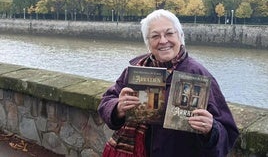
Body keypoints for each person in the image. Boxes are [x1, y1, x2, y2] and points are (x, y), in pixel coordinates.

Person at [98, 9, 239, 157]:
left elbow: (228, 132)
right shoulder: (136, 70)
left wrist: (211, 129)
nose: (163, 40)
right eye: (155, 36)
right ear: (148, 43)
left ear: (180, 36)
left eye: (169, 33)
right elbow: (107, 101)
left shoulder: (198, 73)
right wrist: (118, 108)